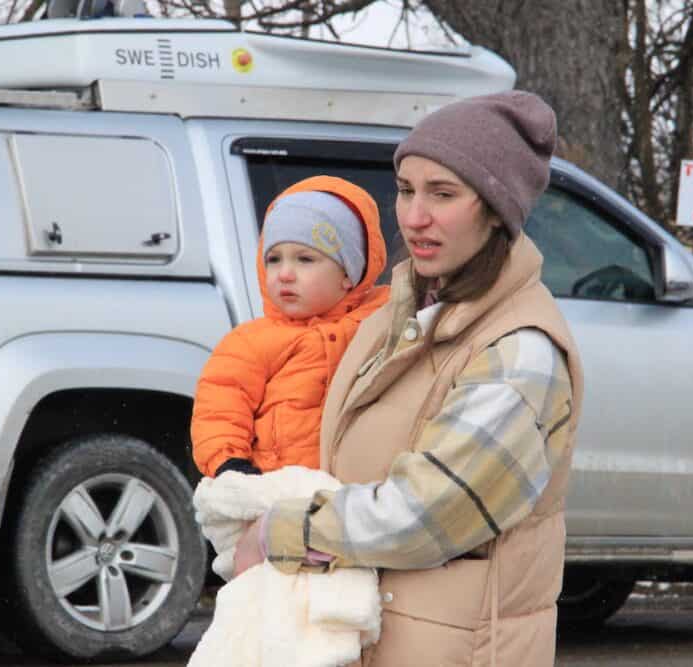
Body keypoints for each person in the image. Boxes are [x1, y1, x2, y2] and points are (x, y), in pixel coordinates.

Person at [233, 91, 585, 667]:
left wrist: (284, 532)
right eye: (405, 190)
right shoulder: (396, 318)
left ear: (496, 208)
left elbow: (427, 512)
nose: (415, 216)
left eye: (442, 194)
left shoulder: (519, 352)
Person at [191, 175, 389, 479]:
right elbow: (220, 408)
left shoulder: (383, 319)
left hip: (357, 489)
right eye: (273, 259)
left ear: (349, 273)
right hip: (277, 487)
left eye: (305, 259)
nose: (284, 274)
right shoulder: (250, 342)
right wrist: (229, 464)